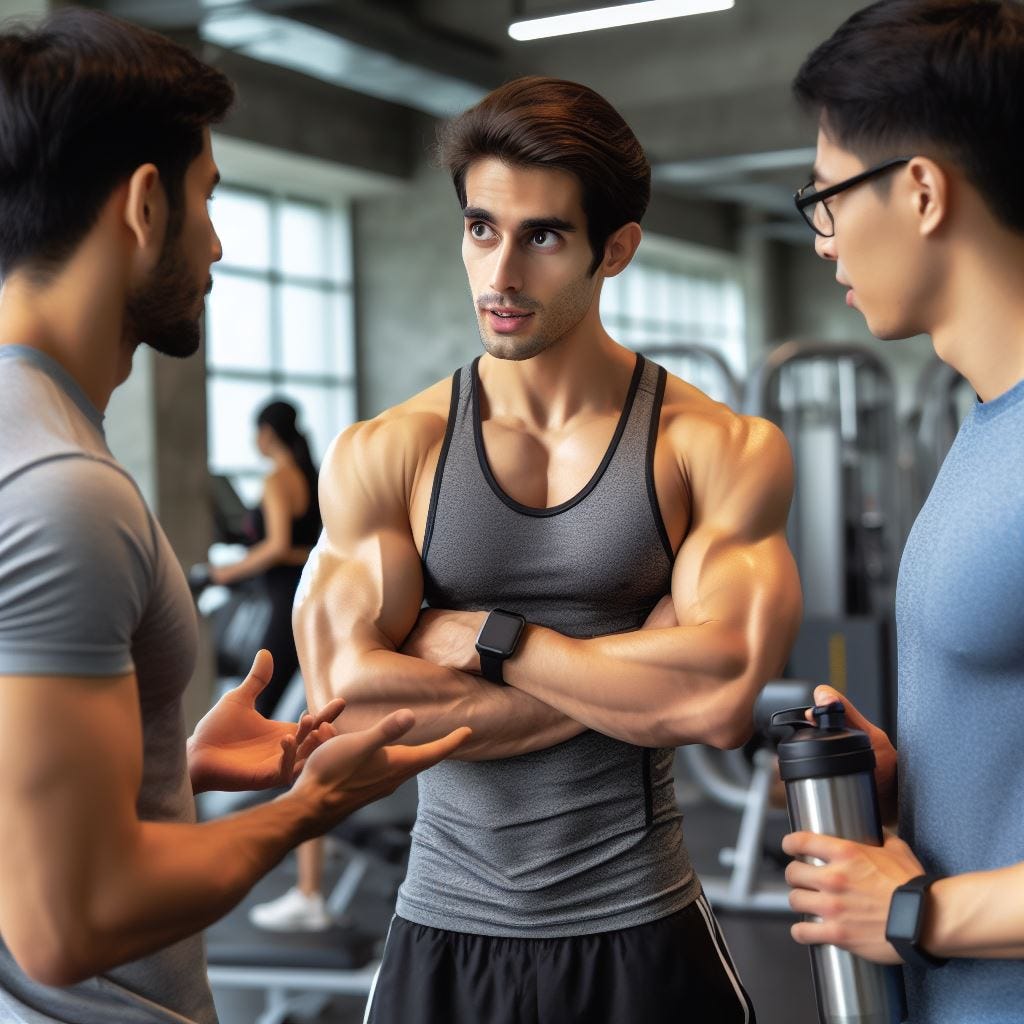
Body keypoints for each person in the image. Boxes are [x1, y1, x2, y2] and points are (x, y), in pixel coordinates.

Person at [294, 76, 803, 1024]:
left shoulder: (714, 449)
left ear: (616, 249)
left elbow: (718, 697)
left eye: (543, 237)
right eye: (481, 229)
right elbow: (351, 710)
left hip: (642, 930)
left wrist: (494, 640)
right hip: (441, 934)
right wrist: (635, 681)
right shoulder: (389, 452)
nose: (500, 276)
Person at [0, 9, 469, 1024]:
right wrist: (313, 808)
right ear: (141, 207)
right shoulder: (61, 491)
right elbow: (67, 923)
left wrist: (159, 759)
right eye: (206, 198)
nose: (217, 239)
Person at [779, 3, 1024, 1022]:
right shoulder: (984, 430)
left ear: (920, 190)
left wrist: (921, 907)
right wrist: (909, 785)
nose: (824, 235)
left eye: (828, 195)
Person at [208, 398, 323, 718]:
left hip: (283, 597)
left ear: (267, 433)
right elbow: (306, 545)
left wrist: (226, 573)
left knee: (257, 704)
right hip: (307, 591)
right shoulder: (311, 476)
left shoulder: (277, 480)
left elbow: (276, 546)